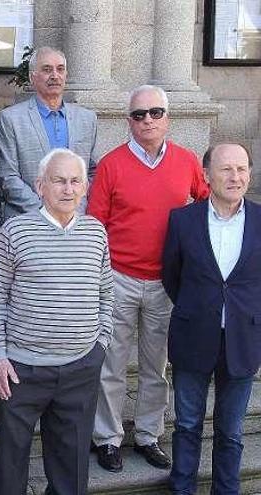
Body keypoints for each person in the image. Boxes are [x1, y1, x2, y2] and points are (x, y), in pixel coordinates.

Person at [89, 84, 210, 472]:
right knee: (112, 364)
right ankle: (107, 438)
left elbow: (208, 205)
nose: (147, 120)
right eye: (139, 114)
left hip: (166, 282)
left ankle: (148, 435)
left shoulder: (187, 161)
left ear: (167, 118)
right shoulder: (111, 164)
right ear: (129, 121)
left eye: (155, 112)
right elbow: (94, 224)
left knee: (156, 365)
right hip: (120, 277)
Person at [0, 148, 113, 494]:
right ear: (40, 186)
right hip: (22, 370)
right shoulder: (15, 231)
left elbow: (106, 295)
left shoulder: (96, 233)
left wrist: (99, 346)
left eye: (75, 181)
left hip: (79, 369)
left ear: (85, 188)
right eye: (58, 181)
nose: (67, 189)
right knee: (9, 469)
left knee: (70, 471)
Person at [163, 143, 261, 495]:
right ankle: (182, 488)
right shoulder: (182, 220)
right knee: (187, 424)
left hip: (243, 341)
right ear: (206, 175)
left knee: (232, 430)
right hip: (193, 336)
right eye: (226, 169)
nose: (235, 177)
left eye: (241, 169)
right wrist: (199, 308)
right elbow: (171, 275)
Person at [0, 46, 99, 219]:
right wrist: (47, 213)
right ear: (32, 77)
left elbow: (92, 172)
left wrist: (74, 206)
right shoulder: (11, 119)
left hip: (74, 220)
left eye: (60, 69)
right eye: (46, 69)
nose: (54, 76)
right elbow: (8, 176)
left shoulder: (87, 119)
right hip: (28, 221)